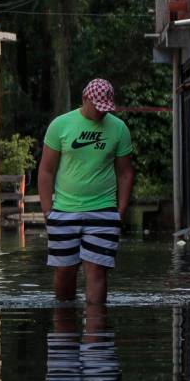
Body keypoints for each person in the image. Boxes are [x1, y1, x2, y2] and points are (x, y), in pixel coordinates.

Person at [38, 79, 135, 304]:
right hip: (64, 211)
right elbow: (46, 170)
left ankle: (96, 334)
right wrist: (47, 211)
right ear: (84, 99)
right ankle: (64, 327)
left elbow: (125, 173)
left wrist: (119, 211)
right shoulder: (60, 125)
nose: (102, 113)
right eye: (97, 107)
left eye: (106, 109)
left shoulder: (119, 128)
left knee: (97, 272)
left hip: (104, 211)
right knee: (64, 271)